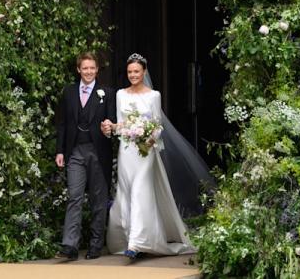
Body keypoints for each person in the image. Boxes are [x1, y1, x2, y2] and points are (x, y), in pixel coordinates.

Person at [101, 53, 211, 259]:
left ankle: (136, 243)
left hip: (146, 151)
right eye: (129, 72)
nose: (133, 75)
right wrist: (110, 126)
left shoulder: (154, 95)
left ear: (144, 72)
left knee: (140, 191)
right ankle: (125, 238)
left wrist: (149, 139)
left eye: (136, 71)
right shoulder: (120, 95)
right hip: (126, 150)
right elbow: (120, 124)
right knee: (125, 191)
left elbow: (157, 125)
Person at [53, 52, 117, 260]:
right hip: (75, 152)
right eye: (85, 68)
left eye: (92, 68)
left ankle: (96, 244)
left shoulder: (107, 93)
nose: (89, 71)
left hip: (98, 151)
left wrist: (109, 129)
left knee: (99, 199)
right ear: (78, 70)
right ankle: (70, 245)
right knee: (74, 196)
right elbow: (62, 124)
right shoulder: (69, 92)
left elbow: (113, 123)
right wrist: (60, 150)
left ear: (97, 70)